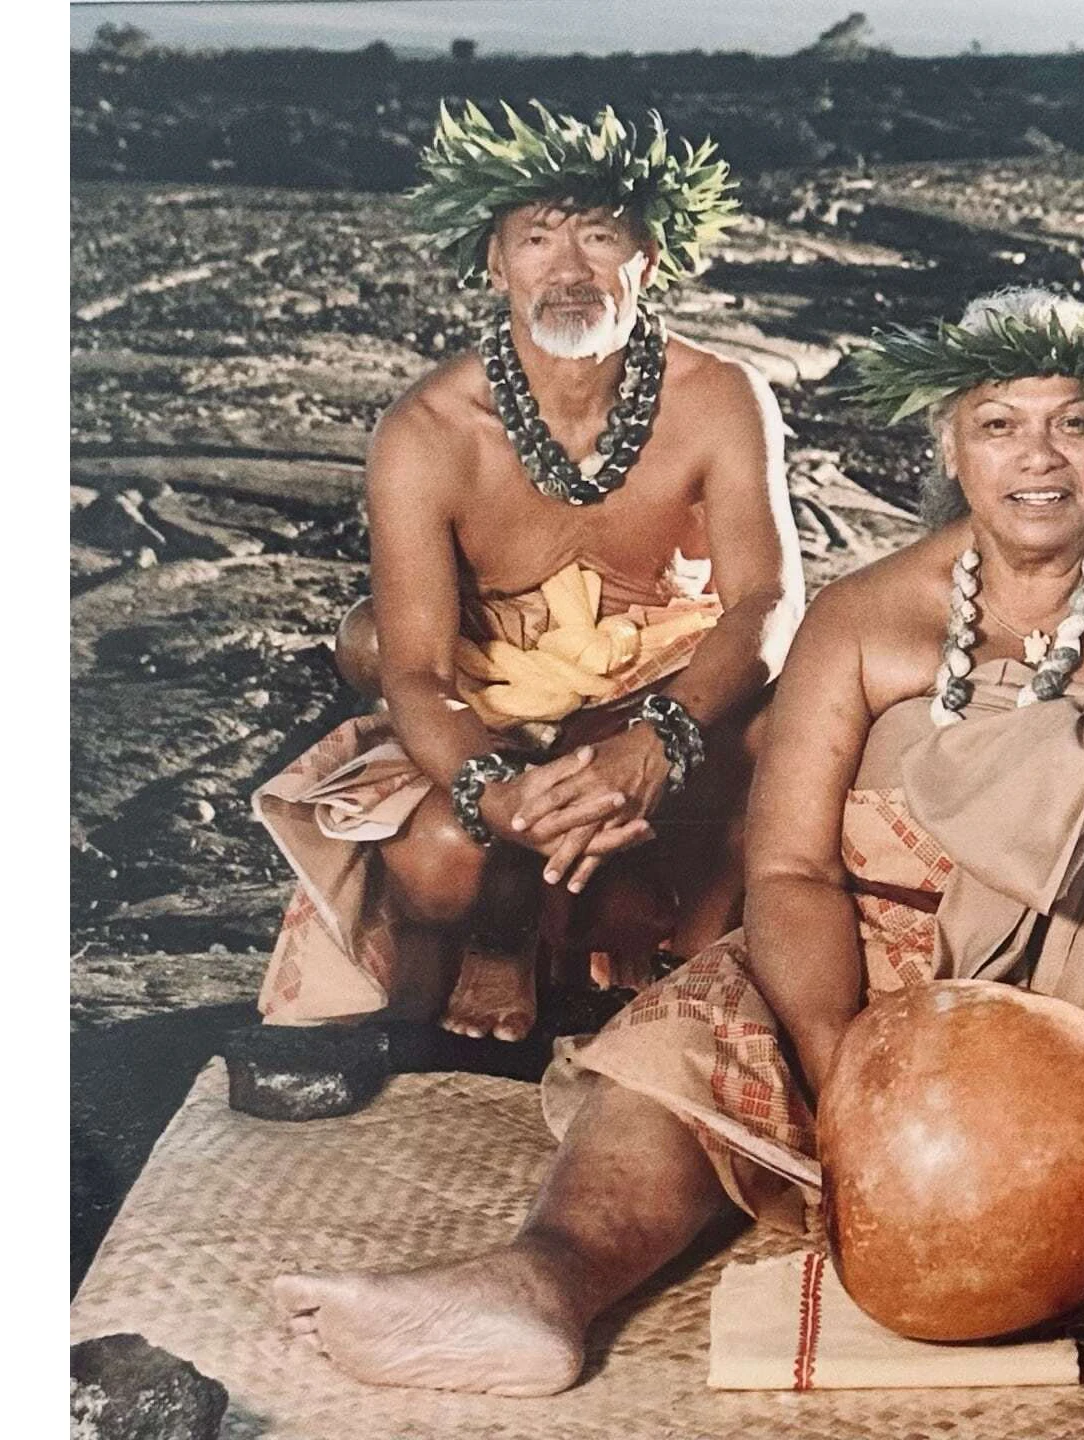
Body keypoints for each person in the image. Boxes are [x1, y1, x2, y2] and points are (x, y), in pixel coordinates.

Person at [273, 289, 1084, 1440]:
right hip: (883, 980)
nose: (1037, 459)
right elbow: (789, 873)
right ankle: (542, 1283)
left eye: (1074, 424)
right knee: (678, 1055)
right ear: (951, 438)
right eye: (1000, 424)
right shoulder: (863, 615)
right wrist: (843, 1057)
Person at [250, 102, 804, 1041]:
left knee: (785, 772)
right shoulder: (427, 431)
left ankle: (673, 999)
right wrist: (496, 794)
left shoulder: (720, 398)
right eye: (538, 238)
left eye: (600, 236)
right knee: (436, 857)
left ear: (649, 262)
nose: (570, 268)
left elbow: (766, 599)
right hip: (493, 703)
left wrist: (659, 742)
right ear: (497, 264)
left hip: (665, 690)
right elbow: (419, 670)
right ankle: (469, 959)